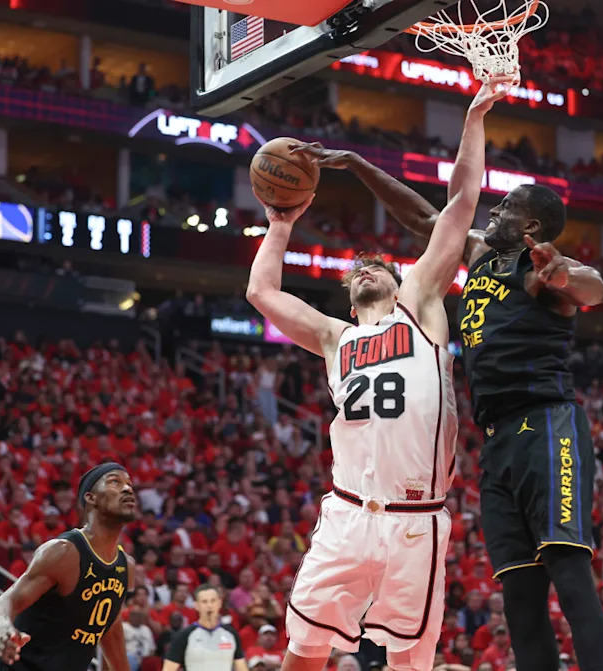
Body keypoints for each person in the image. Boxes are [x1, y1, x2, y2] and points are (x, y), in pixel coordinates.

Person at [293, 128, 603, 671]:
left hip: (547, 421)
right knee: (519, 591)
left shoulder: (539, 269)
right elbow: (421, 218)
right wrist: (358, 163)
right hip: (497, 439)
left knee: (566, 565)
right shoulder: (481, 252)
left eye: (506, 206)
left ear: (530, 225)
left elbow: (594, 288)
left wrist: (570, 273)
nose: (493, 210)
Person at [247, 80, 510, 671]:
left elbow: (462, 203)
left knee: (409, 662)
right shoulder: (334, 337)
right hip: (346, 512)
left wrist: (474, 118)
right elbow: (261, 291)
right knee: (304, 648)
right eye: (357, 269)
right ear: (349, 295)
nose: (366, 268)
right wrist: (282, 222)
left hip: (415, 521)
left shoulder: (420, 303)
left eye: (377, 265)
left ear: (397, 280)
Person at [0, 462, 137, 671]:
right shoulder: (64, 552)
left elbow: (109, 627)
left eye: (129, 484)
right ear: (90, 498)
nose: (127, 488)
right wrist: (4, 631)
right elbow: (4, 603)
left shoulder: (126, 567)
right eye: (115, 482)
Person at [161, 584, 248, 671]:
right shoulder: (185, 635)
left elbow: (241, 668)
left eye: (213, 601)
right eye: (204, 602)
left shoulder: (231, 634)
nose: (209, 605)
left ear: (219, 603)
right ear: (196, 605)